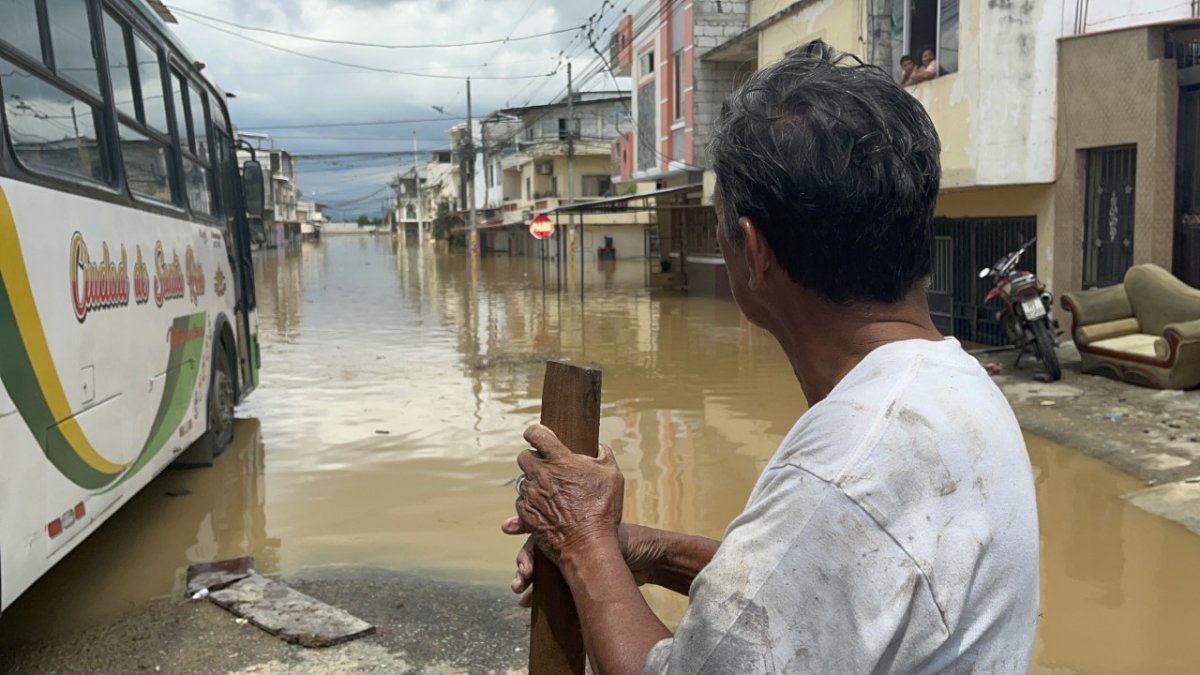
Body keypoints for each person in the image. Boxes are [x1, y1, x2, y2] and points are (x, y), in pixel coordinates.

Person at [503, 40, 1038, 674]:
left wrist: (584, 538)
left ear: (753, 249)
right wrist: (645, 550)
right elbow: (831, 590)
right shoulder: (953, 385)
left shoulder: (845, 471)